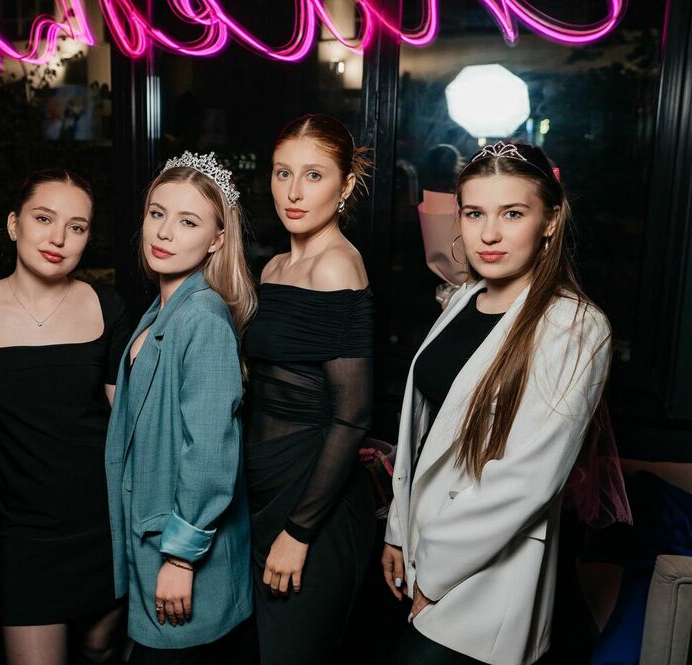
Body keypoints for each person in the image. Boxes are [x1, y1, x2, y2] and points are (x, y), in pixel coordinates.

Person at [381, 142, 612, 665]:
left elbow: (526, 480)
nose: (488, 234)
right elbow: (422, 432)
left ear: (550, 220)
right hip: (422, 549)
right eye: (474, 213)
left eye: (512, 213)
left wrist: (433, 571)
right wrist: (398, 530)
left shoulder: (574, 326)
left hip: (486, 578)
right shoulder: (463, 299)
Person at [0, 169, 128, 665]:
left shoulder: (108, 307)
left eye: (77, 226)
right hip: (26, 533)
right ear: (13, 224)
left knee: (99, 648)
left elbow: (132, 425)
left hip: (107, 525)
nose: (58, 238)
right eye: (44, 218)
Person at [104, 152, 256, 664]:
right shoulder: (163, 306)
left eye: (188, 221)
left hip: (179, 553)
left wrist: (182, 558)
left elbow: (209, 452)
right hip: (151, 541)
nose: (165, 232)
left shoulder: (203, 317)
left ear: (216, 240)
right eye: (157, 213)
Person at [242, 113, 377, 665]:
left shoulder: (336, 267)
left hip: (310, 500)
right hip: (265, 491)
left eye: (314, 175)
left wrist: (299, 532)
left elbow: (353, 415)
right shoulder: (274, 268)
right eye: (283, 173)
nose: (293, 192)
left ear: (346, 185)